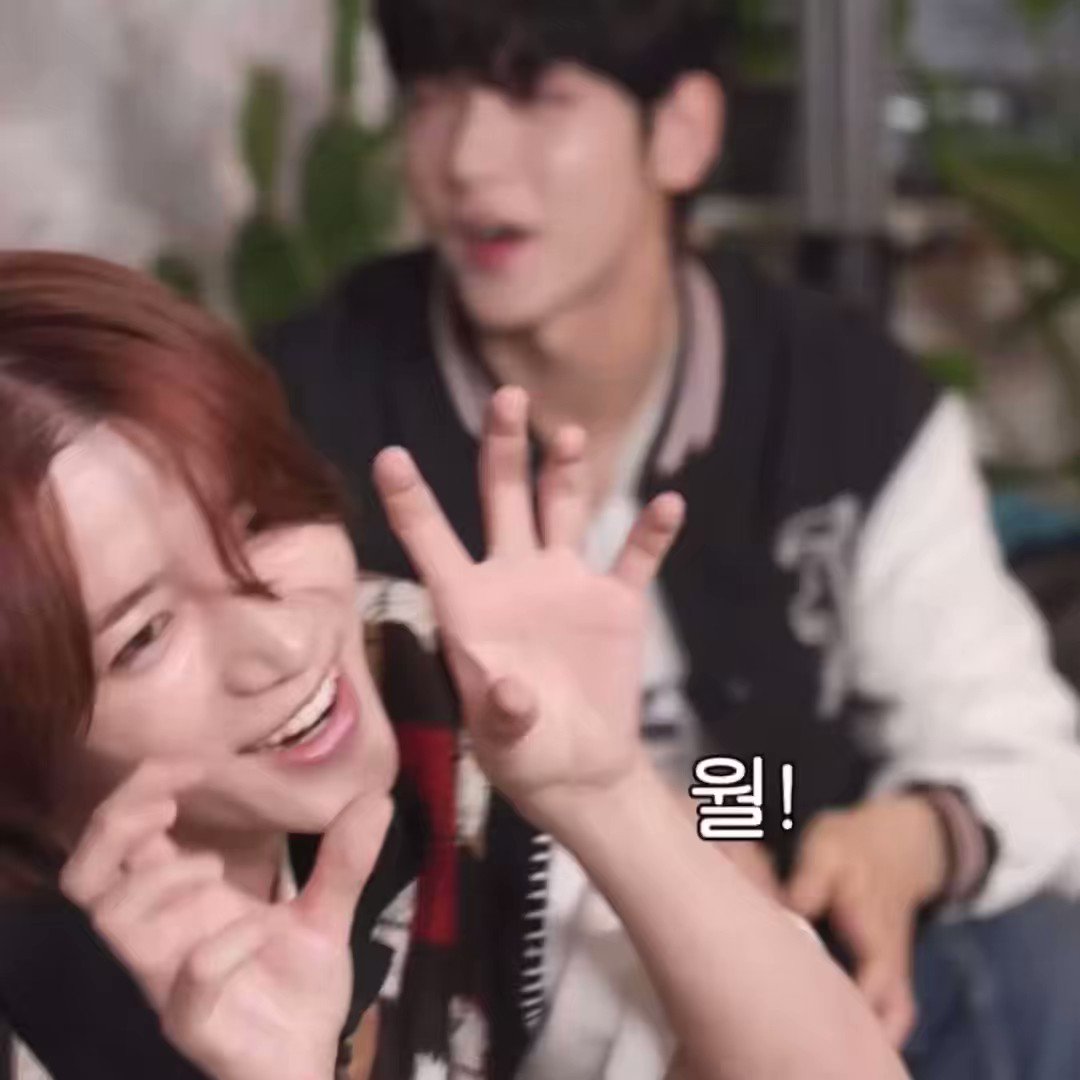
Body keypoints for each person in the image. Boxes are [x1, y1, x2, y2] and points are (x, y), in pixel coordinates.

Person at [258, 0, 1080, 1077]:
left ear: (682, 131)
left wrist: (907, 837)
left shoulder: (844, 402)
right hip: (474, 992)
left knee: (1035, 960)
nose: (465, 160)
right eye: (432, 99)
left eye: (535, 95)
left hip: (803, 959)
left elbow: (1009, 744)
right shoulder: (305, 410)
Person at [0, 251, 909, 1080]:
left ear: (677, 150)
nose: (478, 161)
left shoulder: (829, 378)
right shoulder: (357, 370)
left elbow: (806, 764)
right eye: (143, 638)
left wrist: (917, 830)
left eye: (260, 524)